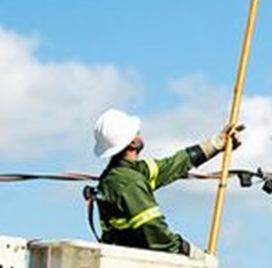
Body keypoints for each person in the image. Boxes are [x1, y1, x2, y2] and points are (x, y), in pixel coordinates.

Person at [90, 108, 243, 254]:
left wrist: (215, 144)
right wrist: (190, 253)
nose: (139, 133)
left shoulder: (125, 174)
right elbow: (155, 231)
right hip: (138, 265)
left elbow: (172, 165)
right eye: (136, 132)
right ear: (132, 143)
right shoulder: (129, 182)